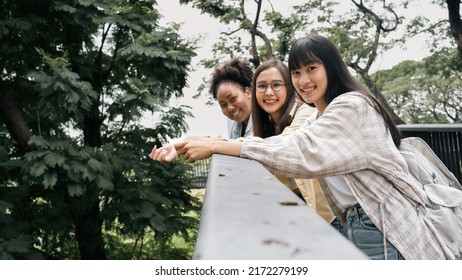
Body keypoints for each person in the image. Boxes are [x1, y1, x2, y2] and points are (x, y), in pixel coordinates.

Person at [150, 35, 454, 260]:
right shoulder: (323, 114)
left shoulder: (351, 106)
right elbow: (284, 143)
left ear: (331, 68)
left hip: (384, 224)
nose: (303, 80)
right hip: (362, 222)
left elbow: (299, 153)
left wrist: (216, 147)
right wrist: (189, 142)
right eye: (296, 72)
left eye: (311, 68)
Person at [251, 58, 336, 224]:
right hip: (297, 215)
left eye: (276, 85)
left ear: (289, 87)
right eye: (262, 86)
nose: (268, 92)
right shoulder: (268, 126)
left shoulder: (306, 113)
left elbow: (283, 144)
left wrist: (219, 146)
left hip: (328, 218)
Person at [210, 58, 254, 139]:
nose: (229, 108)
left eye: (233, 99)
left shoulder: (265, 119)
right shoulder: (232, 122)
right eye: (223, 105)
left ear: (248, 92)